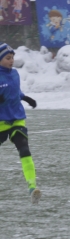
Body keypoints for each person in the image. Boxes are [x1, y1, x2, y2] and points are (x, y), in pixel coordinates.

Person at [0, 43, 41, 204]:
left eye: (12, 58)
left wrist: (26, 98)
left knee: (24, 149)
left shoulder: (15, 74)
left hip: (17, 119)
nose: (11, 61)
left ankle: (32, 187)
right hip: (1, 122)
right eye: (8, 58)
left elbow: (16, 92)